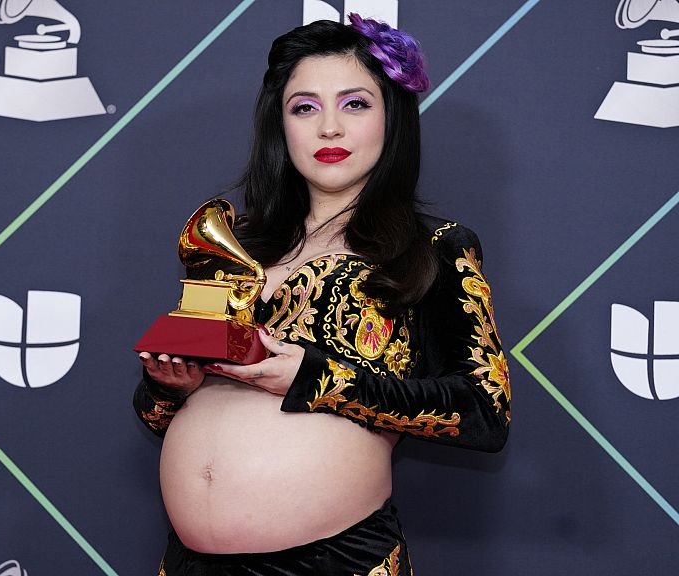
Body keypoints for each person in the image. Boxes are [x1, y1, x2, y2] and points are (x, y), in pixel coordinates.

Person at [134, 14, 510, 576]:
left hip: (337, 561)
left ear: (391, 118)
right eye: (304, 107)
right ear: (280, 124)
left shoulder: (433, 247)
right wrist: (169, 386)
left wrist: (314, 378)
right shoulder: (234, 243)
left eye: (355, 104)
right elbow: (157, 416)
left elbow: (484, 413)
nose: (329, 128)